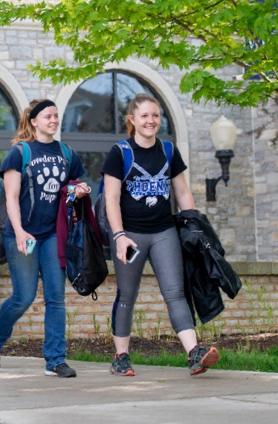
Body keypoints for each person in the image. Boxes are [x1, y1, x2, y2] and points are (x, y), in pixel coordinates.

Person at [101, 93, 219, 377]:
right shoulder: (120, 153)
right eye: (144, 116)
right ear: (132, 120)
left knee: (175, 294)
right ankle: (121, 357)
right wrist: (118, 236)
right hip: (130, 235)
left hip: (164, 232)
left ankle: (194, 354)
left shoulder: (168, 150)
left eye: (155, 115)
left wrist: (193, 226)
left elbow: (181, 192)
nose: (151, 120)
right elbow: (112, 199)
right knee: (127, 295)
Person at [0, 98, 91, 378]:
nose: (53, 120)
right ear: (34, 121)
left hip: (54, 234)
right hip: (23, 233)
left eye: (56, 116)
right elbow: (12, 198)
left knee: (56, 298)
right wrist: (18, 231)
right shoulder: (19, 153)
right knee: (23, 296)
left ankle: (55, 359)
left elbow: (73, 185)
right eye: (47, 116)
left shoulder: (67, 153)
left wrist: (79, 190)